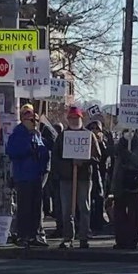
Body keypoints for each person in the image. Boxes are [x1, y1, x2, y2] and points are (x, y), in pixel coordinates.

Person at [51, 106, 101, 249]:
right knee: (67, 209)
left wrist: (83, 161)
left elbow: (97, 157)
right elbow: (55, 158)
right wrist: (69, 165)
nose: (74, 120)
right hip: (66, 179)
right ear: (68, 119)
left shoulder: (89, 136)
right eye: (71, 118)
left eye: (76, 118)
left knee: (84, 208)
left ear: (81, 118)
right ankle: (68, 237)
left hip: (84, 178)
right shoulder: (62, 137)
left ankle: (84, 237)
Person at [5, 104, 51, 248]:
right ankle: (23, 235)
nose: (31, 120)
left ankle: (34, 234)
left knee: (36, 208)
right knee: (24, 208)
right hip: (23, 176)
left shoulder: (37, 135)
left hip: (36, 175)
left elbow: (43, 153)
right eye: (28, 116)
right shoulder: (17, 134)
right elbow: (12, 152)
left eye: (32, 117)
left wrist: (43, 157)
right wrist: (29, 148)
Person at [112, 130, 138, 249]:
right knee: (119, 214)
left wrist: (130, 155)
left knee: (134, 215)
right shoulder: (119, 147)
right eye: (126, 132)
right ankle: (121, 240)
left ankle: (132, 241)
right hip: (119, 184)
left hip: (134, 184)